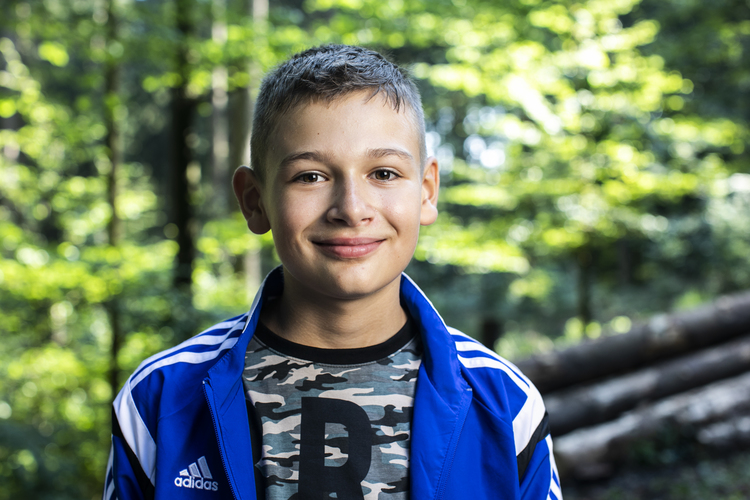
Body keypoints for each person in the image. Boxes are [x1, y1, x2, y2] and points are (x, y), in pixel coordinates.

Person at [103, 44, 562, 500]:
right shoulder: (161, 400)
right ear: (254, 200)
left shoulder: (504, 402)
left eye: (383, 173)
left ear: (426, 193)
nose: (351, 209)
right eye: (311, 176)